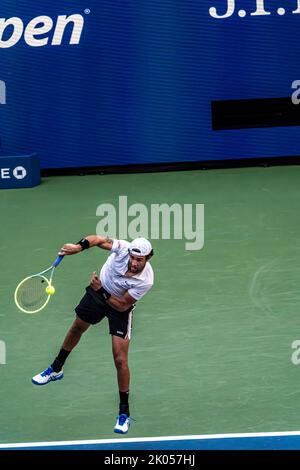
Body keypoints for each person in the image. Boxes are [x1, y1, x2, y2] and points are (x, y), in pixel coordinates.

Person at [32, 236, 154, 434]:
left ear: (148, 259)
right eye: (133, 257)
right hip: (98, 294)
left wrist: (101, 290)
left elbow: (123, 304)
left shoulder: (146, 280)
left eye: (139, 260)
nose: (133, 262)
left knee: (120, 360)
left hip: (118, 306)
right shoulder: (122, 248)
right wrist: (78, 247)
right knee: (77, 328)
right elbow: (98, 240)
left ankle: (124, 413)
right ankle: (56, 368)